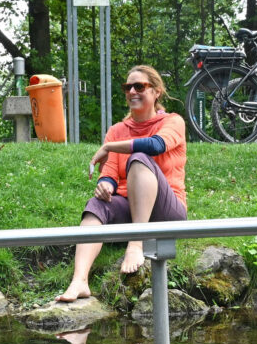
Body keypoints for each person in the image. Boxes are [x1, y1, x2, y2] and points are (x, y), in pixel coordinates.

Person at [56, 65, 187, 302]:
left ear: (156, 91)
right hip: (129, 207)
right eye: (128, 87)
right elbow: (110, 172)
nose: (132, 91)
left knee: (139, 158)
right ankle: (80, 281)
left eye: (140, 86)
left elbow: (155, 145)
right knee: (95, 205)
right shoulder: (117, 130)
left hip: (166, 211)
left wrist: (108, 147)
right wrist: (105, 185)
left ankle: (136, 244)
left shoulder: (173, 121)